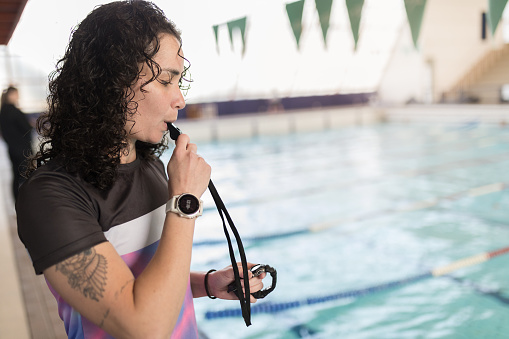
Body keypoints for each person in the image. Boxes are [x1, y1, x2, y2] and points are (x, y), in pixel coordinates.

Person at [16, 1, 264, 338]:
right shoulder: (51, 198)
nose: (180, 100)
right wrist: (185, 201)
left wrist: (205, 283)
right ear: (111, 83)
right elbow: (143, 324)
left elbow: (140, 282)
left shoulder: (150, 167)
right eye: (165, 81)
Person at [0, 86, 33, 201]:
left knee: (16, 176)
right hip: (22, 150)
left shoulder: (2, 112)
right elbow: (26, 127)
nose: (18, 96)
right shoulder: (15, 112)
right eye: (16, 94)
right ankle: (27, 201)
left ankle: (18, 201)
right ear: (11, 95)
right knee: (25, 176)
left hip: (12, 149)